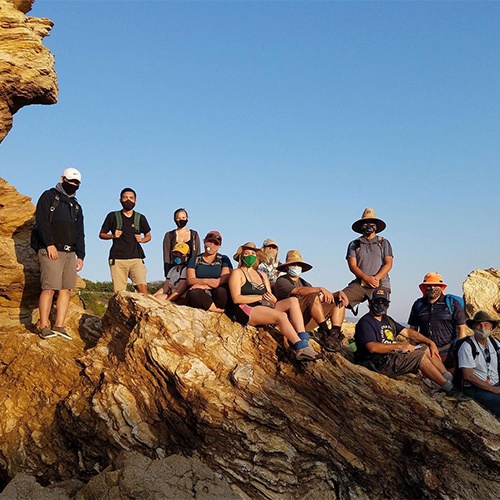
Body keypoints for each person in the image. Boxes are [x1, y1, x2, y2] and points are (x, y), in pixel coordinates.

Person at [354, 288, 469, 401]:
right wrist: (400, 346)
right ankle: (450, 388)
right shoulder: (366, 322)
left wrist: (430, 342)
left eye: (384, 302)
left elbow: (408, 332)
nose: (381, 305)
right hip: (378, 363)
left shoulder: (387, 320)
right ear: (371, 303)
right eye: (377, 302)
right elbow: (372, 347)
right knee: (418, 357)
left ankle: (448, 377)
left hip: (391, 357)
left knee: (424, 348)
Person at [228, 242, 322, 362]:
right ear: (241, 256)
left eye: (253, 253)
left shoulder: (262, 275)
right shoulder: (237, 273)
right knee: (281, 316)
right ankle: (301, 348)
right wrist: (259, 297)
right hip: (248, 308)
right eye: (246, 253)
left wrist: (274, 300)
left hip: (265, 306)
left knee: (293, 301)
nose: (250, 256)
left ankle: (303, 339)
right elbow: (236, 298)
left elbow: (270, 296)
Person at [34, 168, 85, 340]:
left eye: (76, 183)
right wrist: (49, 244)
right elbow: (41, 221)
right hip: (52, 250)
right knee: (49, 288)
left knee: (66, 289)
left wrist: (81, 255)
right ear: (62, 178)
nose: (73, 185)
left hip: (70, 253)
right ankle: (43, 325)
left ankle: (60, 325)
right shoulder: (49, 196)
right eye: (70, 181)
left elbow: (80, 231)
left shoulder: (76, 206)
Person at [274, 250, 347, 352]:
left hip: (306, 318)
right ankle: (325, 332)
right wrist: (320, 289)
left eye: (298, 264)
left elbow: (320, 298)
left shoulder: (305, 283)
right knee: (311, 297)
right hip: (290, 319)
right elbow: (299, 291)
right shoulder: (282, 281)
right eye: (293, 264)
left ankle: (334, 335)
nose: (296, 267)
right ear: (287, 267)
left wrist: (337, 294)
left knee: (339, 301)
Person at [99, 188, 151, 294]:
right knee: (120, 293)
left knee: (142, 287)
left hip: (136, 257)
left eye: (131, 198)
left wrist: (142, 239)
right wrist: (113, 235)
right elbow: (101, 234)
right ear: (120, 200)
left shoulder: (140, 218)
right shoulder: (112, 216)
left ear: (135, 201)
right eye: (125, 197)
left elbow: (148, 236)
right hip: (117, 259)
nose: (128, 200)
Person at [408, 272, 467, 366]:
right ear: (424, 287)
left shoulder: (452, 303)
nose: (432, 288)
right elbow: (413, 329)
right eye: (429, 285)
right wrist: (413, 350)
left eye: (436, 285)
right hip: (426, 352)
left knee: (450, 379)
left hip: (448, 352)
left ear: (441, 287)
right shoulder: (418, 305)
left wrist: (460, 351)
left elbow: (462, 329)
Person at [342, 208, 394, 314]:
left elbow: (388, 264)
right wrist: (366, 278)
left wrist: (375, 279)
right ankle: (335, 329)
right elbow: (352, 266)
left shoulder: (384, 243)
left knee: (379, 309)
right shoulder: (354, 244)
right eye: (365, 223)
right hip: (361, 283)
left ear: (376, 225)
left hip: (381, 283)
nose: (369, 225)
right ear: (361, 226)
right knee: (340, 300)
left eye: (371, 222)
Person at [458, 311, 500, 414]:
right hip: (478, 389)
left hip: (496, 383)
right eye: (479, 324)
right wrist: (493, 389)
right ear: (473, 327)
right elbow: (468, 376)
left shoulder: (495, 343)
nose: (482, 328)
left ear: (491, 327)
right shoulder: (467, 346)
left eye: (486, 325)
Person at [186, 230, 232, 313]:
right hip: (201, 293)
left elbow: (224, 278)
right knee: (193, 294)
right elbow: (190, 280)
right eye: (209, 241)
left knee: (221, 292)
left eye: (216, 243)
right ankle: (218, 310)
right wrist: (205, 281)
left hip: (217, 290)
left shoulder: (223, 259)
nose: (212, 245)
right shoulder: (195, 259)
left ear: (219, 246)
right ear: (204, 242)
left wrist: (205, 286)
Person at [162, 208, 201, 277]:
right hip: (174, 270)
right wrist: (168, 274)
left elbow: (197, 253)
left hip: (190, 271)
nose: (181, 220)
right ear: (174, 219)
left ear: (187, 218)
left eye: (183, 217)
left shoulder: (194, 235)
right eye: (178, 218)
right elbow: (166, 256)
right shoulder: (169, 235)